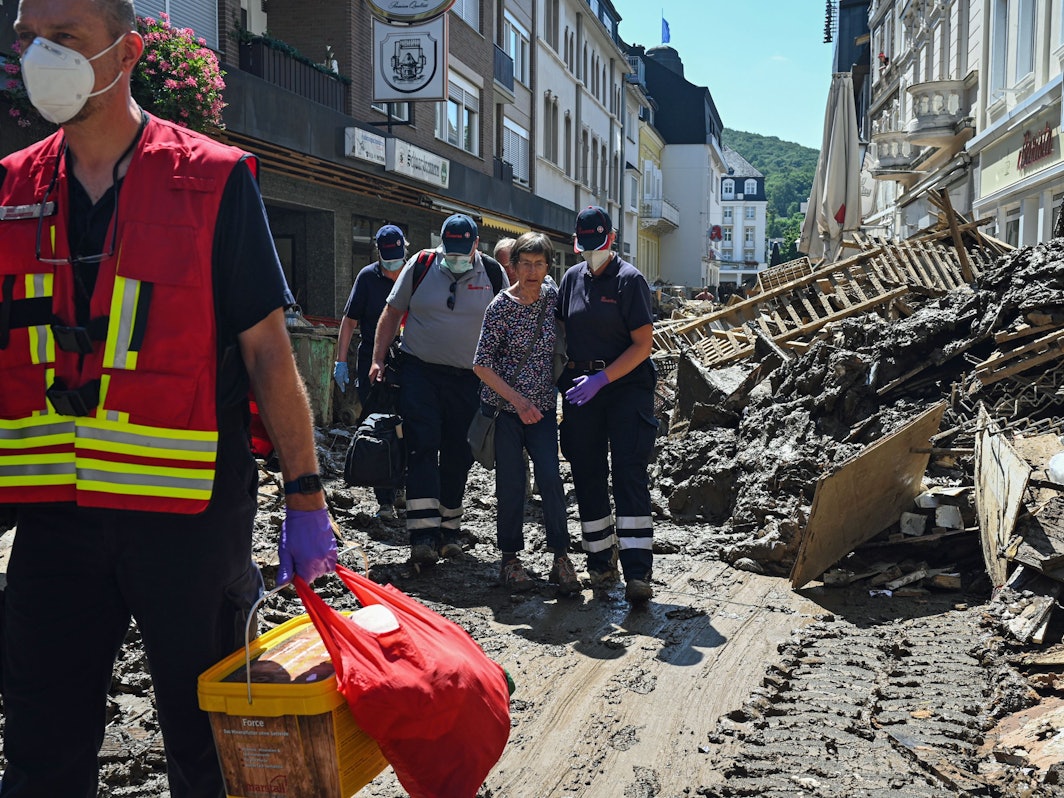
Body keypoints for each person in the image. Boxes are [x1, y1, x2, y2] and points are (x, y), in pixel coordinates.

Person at [0, 1, 338, 795]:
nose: (37, 56)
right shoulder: (10, 191)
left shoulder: (213, 180)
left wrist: (306, 495)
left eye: (63, 40)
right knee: (41, 752)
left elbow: (267, 351)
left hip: (187, 524)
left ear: (127, 53)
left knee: (207, 749)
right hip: (53, 521)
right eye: (26, 40)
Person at [369, 214, 507, 565]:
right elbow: (391, 313)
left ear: (477, 245)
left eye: (463, 250)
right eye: (451, 250)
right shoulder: (422, 264)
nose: (456, 257)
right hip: (421, 374)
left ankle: (449, 532)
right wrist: (377, 359)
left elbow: (507, 323)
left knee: (459, 454)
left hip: (470, 379)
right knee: (422, 448)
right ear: (441, 243)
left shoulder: (492, 273)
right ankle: (422, 536)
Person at [557, 206, 658, 604]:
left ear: (611, 240)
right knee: (587, 471)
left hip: (625, 387)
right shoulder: (571, 279)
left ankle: (637, 572)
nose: (591, 252)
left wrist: (603, 379)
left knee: (629, 473)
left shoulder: (630, 281)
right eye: (585, 246)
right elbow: (561, 329)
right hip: (582, 388)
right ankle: (600, 563)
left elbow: (643, 345)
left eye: (597, 245)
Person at [473, 233, 579, 594]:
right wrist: (519, 402)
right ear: (513, 266)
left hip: (545, 411)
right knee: (511, 485)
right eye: (525, 264)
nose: (532, 271)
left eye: (539, 264)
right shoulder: (500, 307)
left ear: (548, 267)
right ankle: (510, 559)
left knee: (551, 479)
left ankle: (561, 557)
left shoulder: (552, 299)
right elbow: (482, 365)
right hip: (506, 412)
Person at [334, 224, 407, 520]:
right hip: (372, 362)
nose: (393, 266)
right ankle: (385, 499)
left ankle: (403, 485)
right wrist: (340, 361)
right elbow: (349, 321)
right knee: (379, 427)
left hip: (406, 361)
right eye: (388, 259)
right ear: (379, 254)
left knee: (409, 424)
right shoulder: (367, 277)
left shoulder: (413, 272)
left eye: (397, 258)